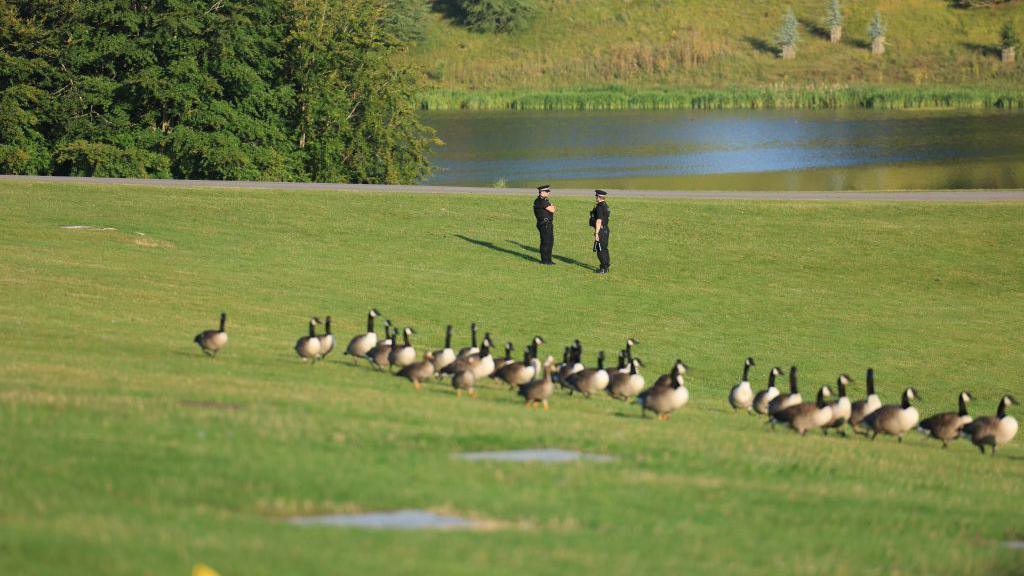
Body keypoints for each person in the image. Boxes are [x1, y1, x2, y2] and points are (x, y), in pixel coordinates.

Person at [533, 184, 556, 265]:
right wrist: (552, 206)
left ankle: (549, 260)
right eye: (547, 191)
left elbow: (552, 208)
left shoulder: (544, 200)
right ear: (541, 192)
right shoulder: (541, 201)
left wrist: (551, 206)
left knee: (550, 242)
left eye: (548, 191)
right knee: (545, 242)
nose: (548, 192)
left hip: (547, 224)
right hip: (544, 224)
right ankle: (545, 260)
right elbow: (553, 209)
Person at [590, 189, 610, 274]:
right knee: (604, 249)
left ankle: (603, 268)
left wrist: (597, 232)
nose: (595, 197)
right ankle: (606, 266)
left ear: (598, 197)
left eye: (596, 196)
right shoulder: (605, 205)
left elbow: (599, 220)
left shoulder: (599, 207)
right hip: (605, 229)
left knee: (600, 250)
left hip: (601, 230)